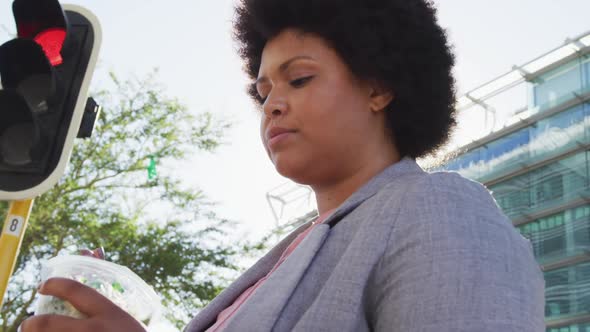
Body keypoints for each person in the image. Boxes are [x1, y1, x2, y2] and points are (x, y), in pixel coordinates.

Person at [20, 0, 545, 331]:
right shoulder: (291, 254)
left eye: (299, 80)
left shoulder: (440, 211)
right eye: (263, 89)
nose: (271, 104)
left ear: (379, 86)